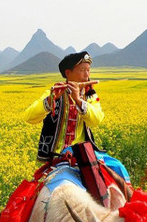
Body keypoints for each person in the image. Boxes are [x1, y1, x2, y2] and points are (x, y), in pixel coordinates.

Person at [24, 51, 131, 183]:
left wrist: (79, 100)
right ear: (68, 73)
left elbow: (96, 119)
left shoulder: (90, 95)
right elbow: (29, 117)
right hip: (57, 155)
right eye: (82, 70)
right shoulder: (52, 93)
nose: (87, 75)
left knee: (118, 168)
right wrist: (50, 100)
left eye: (88, 70)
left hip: (83, 153)